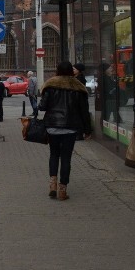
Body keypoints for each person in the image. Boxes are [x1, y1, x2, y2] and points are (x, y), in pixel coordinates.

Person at [38, 61, 92, 200]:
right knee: (66, 158)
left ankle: (52, 185)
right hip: (70, 128)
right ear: (70, 71)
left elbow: (42, 107)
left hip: (52, 127)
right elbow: (84, 111)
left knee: (54, 155)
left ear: (57, 70)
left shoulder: (50, 85)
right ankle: (62, 190)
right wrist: (87, 130)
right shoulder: (78, 87)